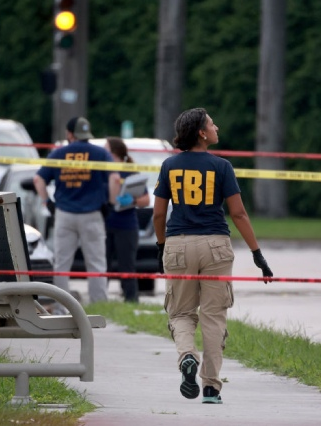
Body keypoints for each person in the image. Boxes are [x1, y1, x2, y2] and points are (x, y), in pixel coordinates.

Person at [153, 107, 273, 405]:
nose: (216, 127)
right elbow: (238, 213)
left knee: (180, 313)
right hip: (216, 246)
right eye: (211, 124)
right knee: (213, 316)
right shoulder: (222, 166)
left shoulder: (169, 166)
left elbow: (158, 214)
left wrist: (161, 246)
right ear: (202, 134)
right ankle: (210, 388)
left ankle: (187, 356)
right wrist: (257, 253)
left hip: (178, 243)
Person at [34, 117, 120, 308]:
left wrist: (47, 202)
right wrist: (111, 203)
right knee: (96, 263)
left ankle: (61, 307)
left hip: (64, 214)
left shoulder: (58, 153)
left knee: (62, 264)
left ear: (69, 133)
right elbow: (115, 179)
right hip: (92, 214)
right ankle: (99, 306)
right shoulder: (100, 153)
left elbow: (38, 180)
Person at [104, 136, 150, 303]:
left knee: (127, 265)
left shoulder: (130, 172)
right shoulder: (101, 170)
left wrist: (133, 200)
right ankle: (100, 299)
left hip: (126, 225)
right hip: (104, 224)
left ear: (114, 153)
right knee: (102, 265)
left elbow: (146, 200)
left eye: (105, 149)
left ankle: (131, 300)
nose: (103, 153)